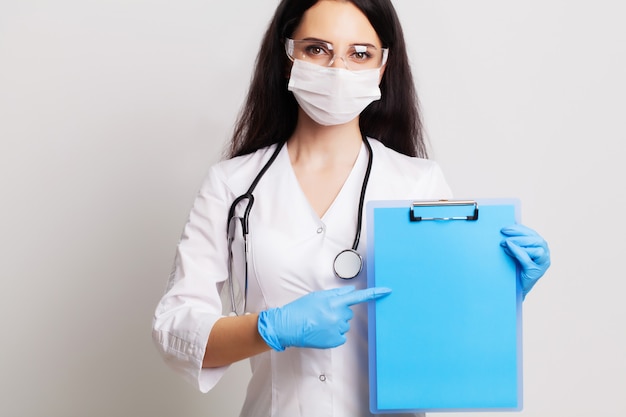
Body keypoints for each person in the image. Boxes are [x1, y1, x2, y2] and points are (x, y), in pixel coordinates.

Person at [151, 1, 551, 416]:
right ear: (288, 58)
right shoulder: (233, 185)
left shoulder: (418, 183)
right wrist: (271, 328)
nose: (338, 70)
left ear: (382, 68)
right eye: (317, 49)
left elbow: (443, 335)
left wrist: (499, 288)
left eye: (360, 54)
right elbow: (174, 329)